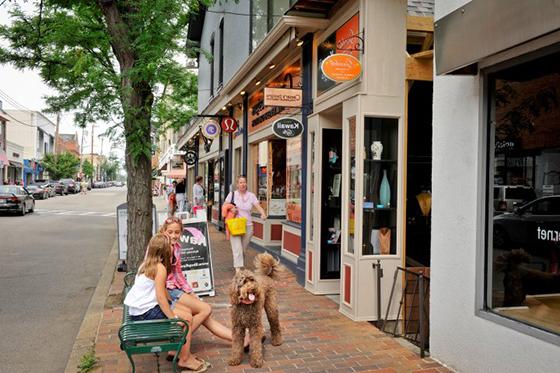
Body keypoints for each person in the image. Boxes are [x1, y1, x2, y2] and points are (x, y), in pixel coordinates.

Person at [159, 217, 250, 350]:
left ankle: (239, 339)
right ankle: (177, 346)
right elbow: (154, 274)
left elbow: (178, 274)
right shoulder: (161, 247)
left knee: (203, 315)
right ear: (163, 231)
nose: (173, 235)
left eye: (177, 232)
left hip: (175, 289)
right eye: (170, 232)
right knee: (205, 309)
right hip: (168, 292)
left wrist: (191, 292)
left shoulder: (176, 247)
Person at [124, 233, 208, 372]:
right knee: (186, 319)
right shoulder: (160, 268)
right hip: (144, 313)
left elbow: (163, 292)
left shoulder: (146, 264)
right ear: (165, 251)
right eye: (169, 245)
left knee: (186, 312)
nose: (172, 246)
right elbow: (161, 298)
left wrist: (175, 304)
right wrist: (173, 318)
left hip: (140, 309)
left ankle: (181, 353)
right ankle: (185, 359)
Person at [223, 175, 267, 272]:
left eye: (244, 182)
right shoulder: (232, 194)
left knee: (243, 249)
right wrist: (231, 208)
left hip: (248, 226)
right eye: (240, 182)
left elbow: (257, 206)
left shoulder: (251, 195)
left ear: (246, 184)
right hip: (235, 225)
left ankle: (238, 262)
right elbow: (224, 206)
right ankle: (238, 270)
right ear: (237, 184)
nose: (242, 184)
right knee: (237, 248)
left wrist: (263, 213)